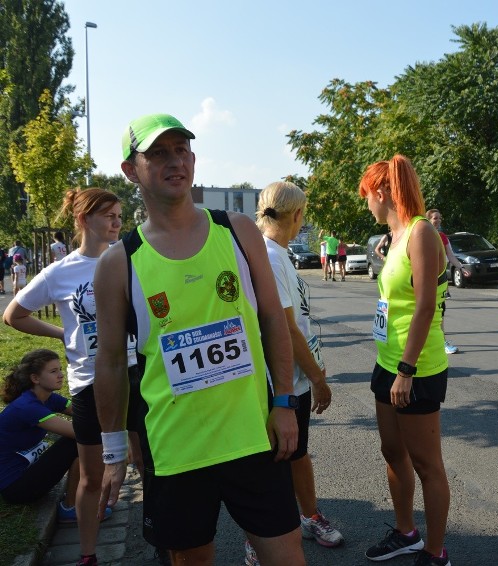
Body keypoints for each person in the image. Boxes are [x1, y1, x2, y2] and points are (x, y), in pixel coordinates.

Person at [94, 113, 304, 566]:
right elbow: (110, 363)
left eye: (182, 150)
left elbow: (272, 318)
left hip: (253, 436)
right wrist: (113, 451)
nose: (175, 162)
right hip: (176, 451)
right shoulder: (119, 262)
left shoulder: (236, 230)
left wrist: (284, 402)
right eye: (158, 153)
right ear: (131, 170)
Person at [3, 188, 126, 566]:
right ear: (84, 219)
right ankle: (88, 554)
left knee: (149, 462)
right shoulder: (60, 272)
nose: (117, 222)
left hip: (135, 375)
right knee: (91, 476)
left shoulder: (129, 258)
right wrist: (61, 334)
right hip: (89, 382)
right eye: (109, 215)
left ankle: (164, 538)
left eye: (120, 215)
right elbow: (14, 315)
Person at [359, 155, 452, 566]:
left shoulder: (421, 232)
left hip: (415, 368)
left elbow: (425, 306)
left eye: (366, 197)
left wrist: (406, 370)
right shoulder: (396, 237)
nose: (367, 205)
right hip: (387, 360)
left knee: (427, 465)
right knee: (392, 450)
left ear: (381, 192)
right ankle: (405, 532)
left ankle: (435, 552)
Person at [247, 181, 342, 563]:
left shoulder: (278, 253)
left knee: (297, 452)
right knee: (276, 461)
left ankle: (309, 515)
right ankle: (259, 542)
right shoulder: (268, 256)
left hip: (294, 373)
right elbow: (284, 326)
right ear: (298, 215)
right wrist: (317, 377)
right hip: (280, 379)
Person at [0, 349, 79, 520]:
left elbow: (84, 413)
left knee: (82, 440)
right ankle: (69, 506)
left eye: (60, 369)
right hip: (16, 487)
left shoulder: (49, 398)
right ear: (35, 378)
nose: (61, 375)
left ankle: (84, 494)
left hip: (30, 472)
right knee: (76, 443)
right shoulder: (27, 406)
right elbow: (80, 433)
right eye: (53, 371)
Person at [426, 208, 470, 355]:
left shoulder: (442, 237)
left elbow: (450, 256)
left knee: (439, 312)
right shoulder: (421, 235)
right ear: (428, 219)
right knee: (422, 311)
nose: (438, 221)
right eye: (434, 218)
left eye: (439, 218)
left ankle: (442, 342)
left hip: (440, 279)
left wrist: (461, 267)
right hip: (424, 279)